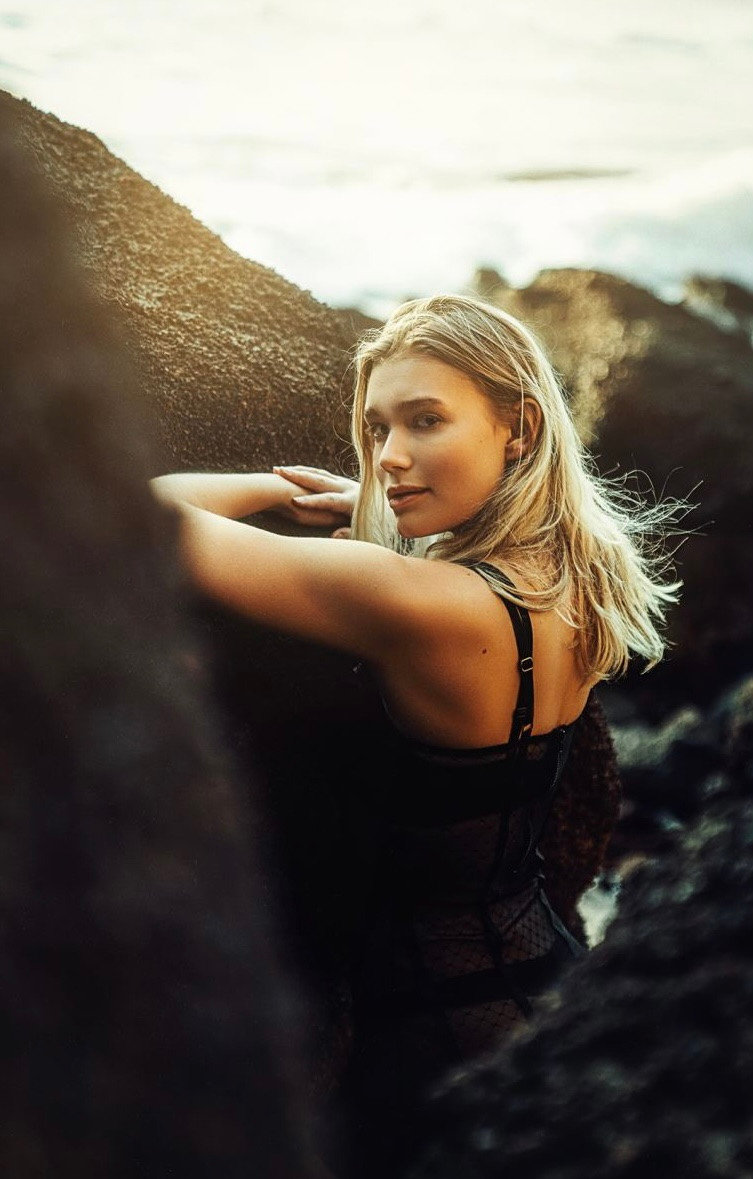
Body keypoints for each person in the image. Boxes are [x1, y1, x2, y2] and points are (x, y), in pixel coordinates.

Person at [152, 294, 679, 1170]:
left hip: (430, 1033)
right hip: (544, 971)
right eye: (376, 430)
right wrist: (379, 502)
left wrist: (273, 485)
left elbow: (139, 514)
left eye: (425, 421)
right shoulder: (582, 572)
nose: (389, 456)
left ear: (519, 427)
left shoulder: (418, 603)